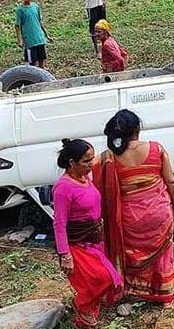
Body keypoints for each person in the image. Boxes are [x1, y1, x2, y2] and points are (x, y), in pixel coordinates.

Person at [95, 110, 174, 303]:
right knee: (162, 255)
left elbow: (92, 179)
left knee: (133, 255)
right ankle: (162, 291)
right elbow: (171, 182)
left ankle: (136, 291)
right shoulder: (156, 149)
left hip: (129, 218)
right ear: (137, 129)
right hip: (159, 212)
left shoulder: (108, 158)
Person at [53, 139, 123, 328]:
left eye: (92, 159)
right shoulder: (63, 187)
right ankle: (82, 308)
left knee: (107, 279)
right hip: (77, 245)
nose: (92, 164)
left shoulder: (87, 177)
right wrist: (64, 255)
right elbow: (59, 224)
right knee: (102, 280)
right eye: (87, 161)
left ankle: (86, 316)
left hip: (94, 241)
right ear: (72, 163)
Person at [14, 0, 52, 69]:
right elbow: (17, 25)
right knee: (32, 62)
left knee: (42, 58)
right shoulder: (20, 10)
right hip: (29, 41)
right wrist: (19, 40)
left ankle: (43, 71)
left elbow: (40, 21)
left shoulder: (35, 6)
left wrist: (46, 35)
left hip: (39, 38)